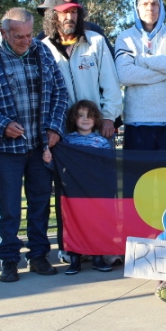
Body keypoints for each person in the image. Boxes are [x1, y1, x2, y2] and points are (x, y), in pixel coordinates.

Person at [0, 7, 68, 282]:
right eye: (19, 36)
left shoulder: (42, 52)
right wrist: (0, 124)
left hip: (39, 144)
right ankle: (8, 259)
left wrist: (54, 127)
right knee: (8, 207)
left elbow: (60, 92)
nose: (26, 41)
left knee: (39, 203)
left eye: (29, 34)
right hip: (5, 147)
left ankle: (38, 255)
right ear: (4, 32)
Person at [39, 0, 122, 264]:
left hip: (96, 130)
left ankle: (103, 245)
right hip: (62, 134)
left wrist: (109, 117)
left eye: (74, 11)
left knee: (101, 191)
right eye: (64, 13)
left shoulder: (95, 41)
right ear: (52, 16)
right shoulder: (43, 48)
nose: (70, 17)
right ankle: (70, 246)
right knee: (67, 193)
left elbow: (110, 83)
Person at [43, 100, 113, 275]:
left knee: (97, 224)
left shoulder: (102, 142)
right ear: (74, 119)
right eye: (81, 115)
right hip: (72, 193)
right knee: (73, 224)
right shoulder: (66, 141)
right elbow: (58, 167)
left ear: (96, 119)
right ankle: (74, 259)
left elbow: (108, 167)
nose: (85, 119)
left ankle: (98, 257)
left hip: (95, 192)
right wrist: (49, 160)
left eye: (89, 116)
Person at [114, 0, 166, 150]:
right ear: (137, 8)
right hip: (137, 122)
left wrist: (142, 60)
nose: (150, 7)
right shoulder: (125, 38)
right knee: (138, 175)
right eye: (145, 3)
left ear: (160, 8)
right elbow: (125, 75)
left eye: (155, 3)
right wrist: (165, 73)